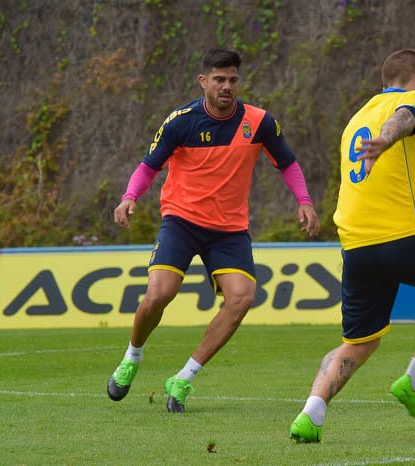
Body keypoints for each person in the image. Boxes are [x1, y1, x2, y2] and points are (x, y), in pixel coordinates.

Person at [107, 47, 319, 413]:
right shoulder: (180, 121)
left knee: (242, 298)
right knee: (159, 294)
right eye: (219, 80)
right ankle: (132, 356)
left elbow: (288, 163)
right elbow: (148, 166)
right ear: (203, 81)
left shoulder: (259, 122)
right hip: (181, 221)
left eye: (233, 80)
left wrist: (304, 200)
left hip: (229, 230)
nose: (227, 86)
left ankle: (184, 378)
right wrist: (130, 197)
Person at [289, 49, 415, 442]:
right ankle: (414, 381)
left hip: (357, 244)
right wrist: (387, 139)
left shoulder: (355, 119)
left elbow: (377, 183)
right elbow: (404, 119)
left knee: (358, 341)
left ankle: (310, 414)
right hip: (404, 237)